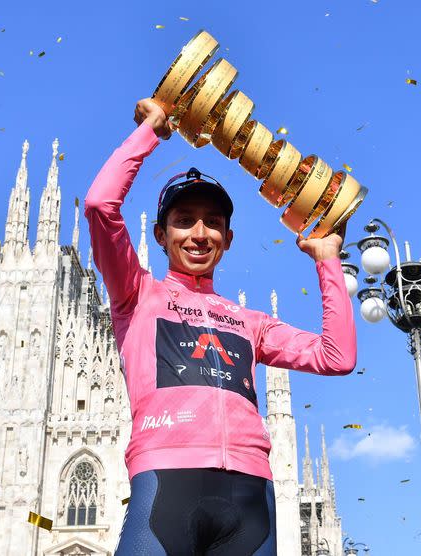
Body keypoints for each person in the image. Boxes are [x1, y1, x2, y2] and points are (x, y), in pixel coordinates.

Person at [85, 98, 357, 556]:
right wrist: (150, 130)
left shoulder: (249, 322)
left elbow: (338, 357)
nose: (199, 233)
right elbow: (99, 205)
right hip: (166, 484)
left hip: (250, 496)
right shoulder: (137, 295)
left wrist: (328, 261)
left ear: (227, 239)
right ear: (161, 234)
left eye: (213, 223)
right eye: (183, 221)